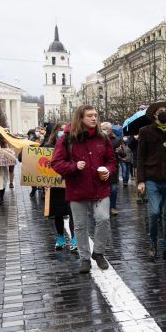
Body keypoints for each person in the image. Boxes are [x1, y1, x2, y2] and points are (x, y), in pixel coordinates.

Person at [50, 105, 116, 274]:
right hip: (77, 190)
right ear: (80, 118)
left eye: (96, 115)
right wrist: (73, 167)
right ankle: (85, 258)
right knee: (80, 226)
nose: (94, 118)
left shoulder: (103, 138)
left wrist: (108, 171)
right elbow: (56, 163)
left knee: (103, 219)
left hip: (100, 189)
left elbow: (111, 161)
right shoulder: (67, 139)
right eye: (90, 116)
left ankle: (99, 253)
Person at [136, 101, 166, 261]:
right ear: (155, 115)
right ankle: (152, 244)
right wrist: (141, 180)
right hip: (152, 178)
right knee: (154, 212)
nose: (164, 113)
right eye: (160, 111)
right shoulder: (145, 132)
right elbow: (140, 157)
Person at [41, 124, 77, 252]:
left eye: (64, 130)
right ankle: (60, 237)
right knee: (58, 213)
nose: (62, 132)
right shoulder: (47, 147)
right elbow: (38, 167)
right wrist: (43, 182)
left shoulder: (73, 145)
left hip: (70, 183)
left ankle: (74, 237)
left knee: (73, 211)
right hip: (55, 186)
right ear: (55, 132)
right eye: (60, 130)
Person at [100, 122, 121, 216]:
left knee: (113, 189)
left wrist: (121, 151)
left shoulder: (116, 140)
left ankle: (112, 207)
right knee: (103, 189)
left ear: (110, 129)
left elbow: (123, 154)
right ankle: (103, 208)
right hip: (100, 168)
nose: (103, 130)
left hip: (113, 168)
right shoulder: (98, 139)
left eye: (105, 129)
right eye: (102, 128)